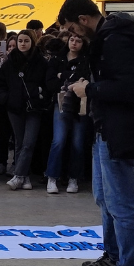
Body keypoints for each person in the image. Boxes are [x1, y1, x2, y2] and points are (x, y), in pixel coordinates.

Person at [61, 0, 134, 266]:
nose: (73, 35)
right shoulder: (105, 39)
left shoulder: (116, 40)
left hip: (121, 132)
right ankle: (113, 257)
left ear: (83, 20)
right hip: (106, 129)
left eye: (73, 29)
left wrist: (90, 89)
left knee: (122, 204)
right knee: (104, 198)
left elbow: (132, 87)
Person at [0, 31, 51, 191]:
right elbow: (0, 84)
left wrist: (40, 96)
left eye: (26, 41)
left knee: (29, 143)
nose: (23, 44)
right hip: (14, 108)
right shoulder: (10, 62)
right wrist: (7, 99)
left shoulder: (41, 62)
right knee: (19, 142)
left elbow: (47, 84)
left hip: (34, 108)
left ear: (32, 42)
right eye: (20, 41)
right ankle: (24, 176)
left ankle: (18, 175)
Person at [44, 25, 92, 194]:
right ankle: (52, 177)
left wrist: (63, 76)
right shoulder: (57, 59)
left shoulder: (86, 60)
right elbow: (50, 81)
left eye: (78, 40)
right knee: (59, 140)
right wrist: (72, 80)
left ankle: (74, 177)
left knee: (78, 142)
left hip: (81, 104)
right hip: (61, 102)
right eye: (72, 39)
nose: (74, 43)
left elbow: (85, 78)